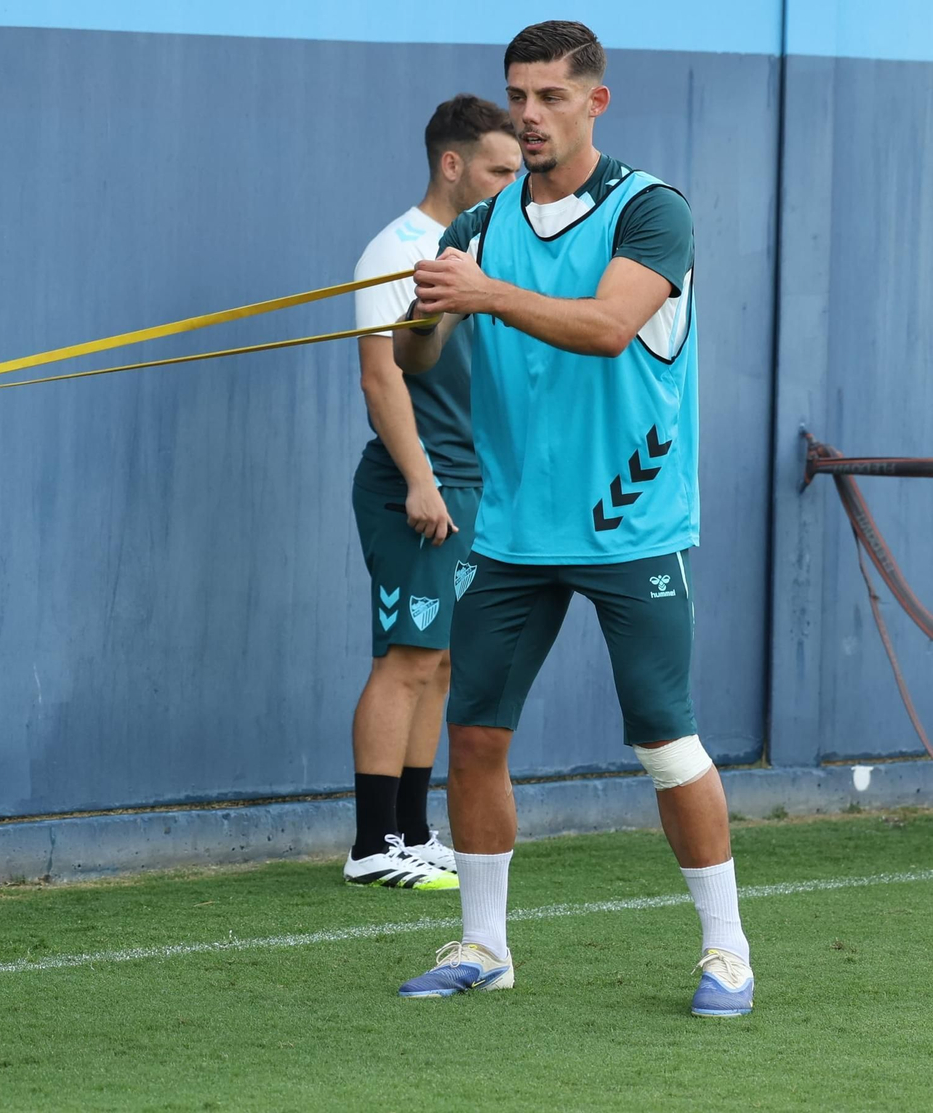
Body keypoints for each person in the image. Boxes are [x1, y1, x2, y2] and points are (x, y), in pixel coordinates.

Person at [391, 21, 754, 1017]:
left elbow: (604, 327)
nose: (529, 114)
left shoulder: (652, 212)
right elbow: (417, 364)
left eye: (550, 96)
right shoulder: (475, 229)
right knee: (472, 738)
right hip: (510, 531)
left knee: (663, 743)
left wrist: (481, 292)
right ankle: (483, 944)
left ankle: (726, 952)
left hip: (631, 529)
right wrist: (422, 314)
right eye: (518, 95)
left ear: (595, 102)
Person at [345, 95, 520, 891]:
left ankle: (413, 831)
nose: (512, 182)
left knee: (441, 661)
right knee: (406, 659)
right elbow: (381, 377)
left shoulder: (483, 250)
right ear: (453, 164)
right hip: (416, 485)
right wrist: (419, 480)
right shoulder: (398, 249)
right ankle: (371, 842)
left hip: (472, 484)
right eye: (498, 169)